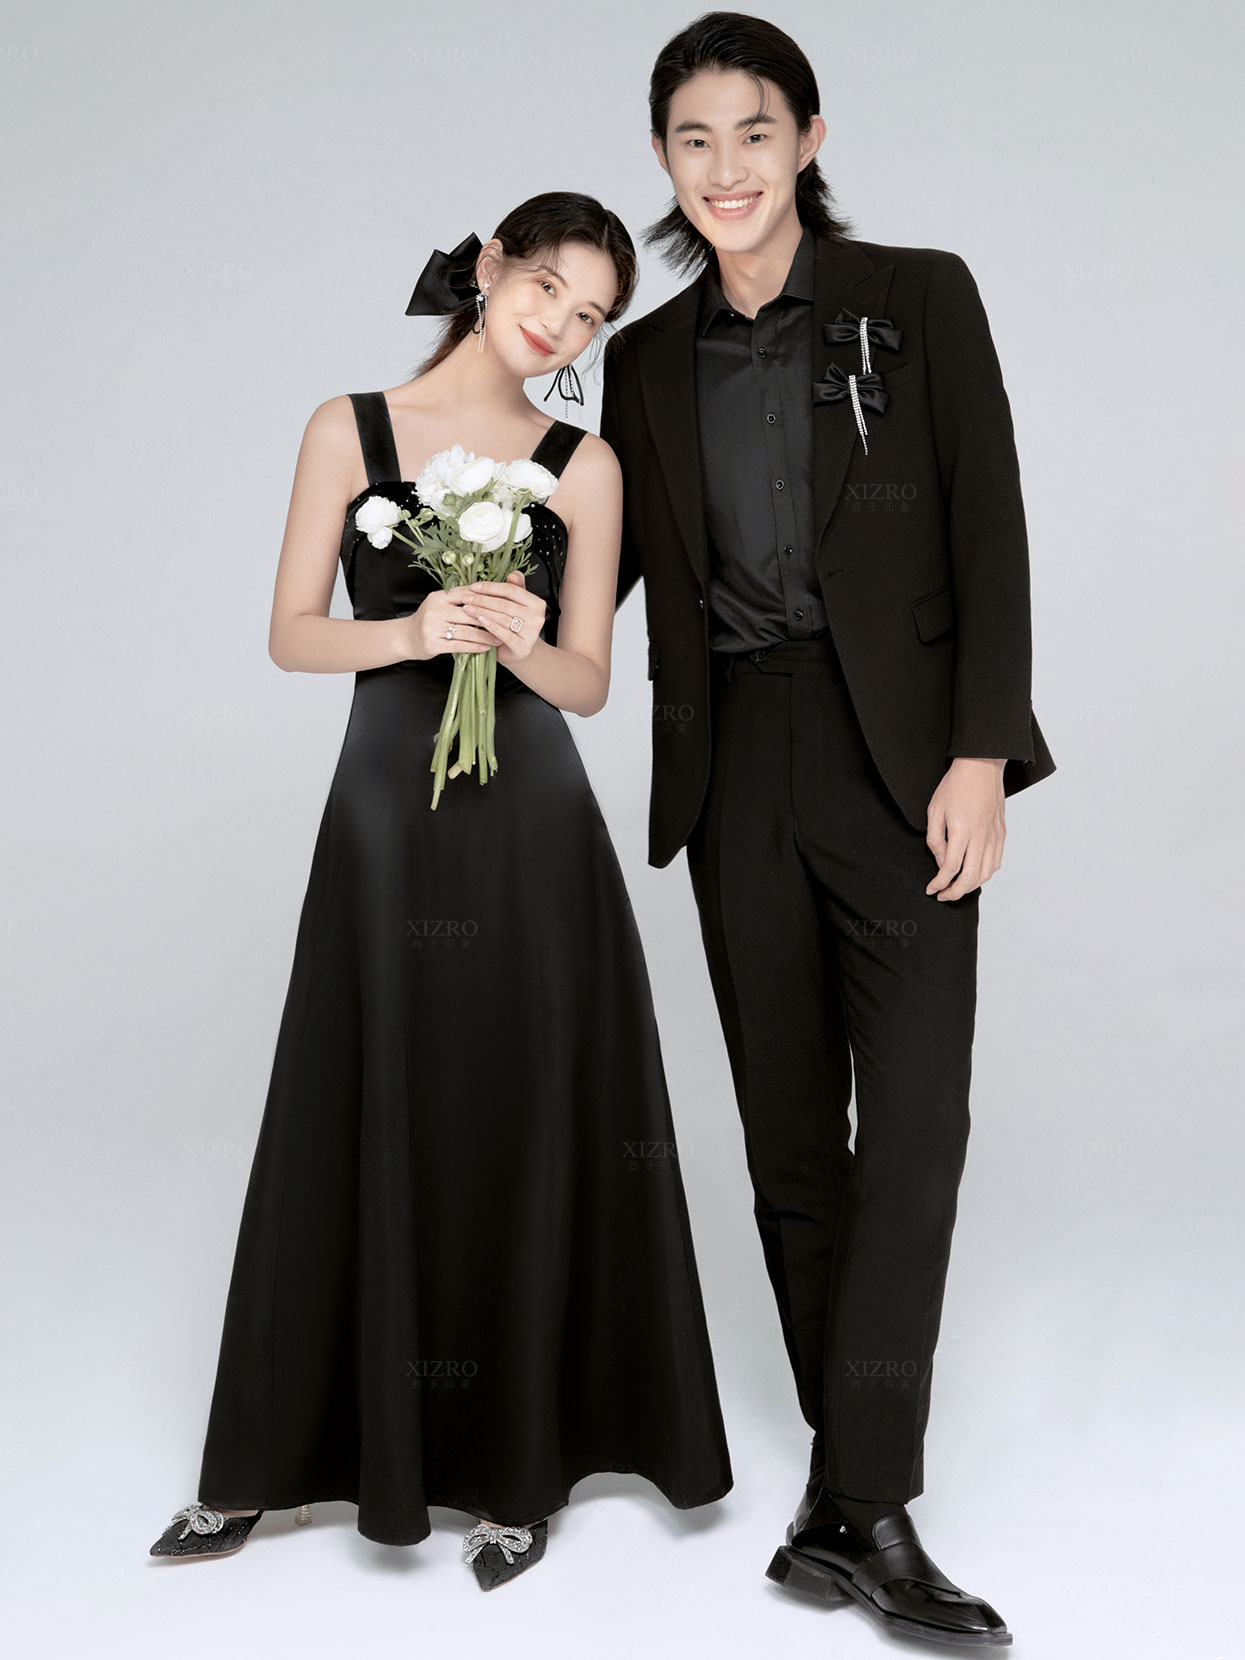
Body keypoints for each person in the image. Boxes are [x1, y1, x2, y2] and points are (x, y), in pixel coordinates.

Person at [148, 191, 732, 1590]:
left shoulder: (585, 467)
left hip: (528, 827)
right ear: (486, 268)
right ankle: (274, 1462)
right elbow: (292, 635)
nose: (558, 328)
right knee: (354, 1099)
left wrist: (517, 642)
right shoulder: (344, 429)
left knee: (517, 1108)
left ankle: (516, 1470)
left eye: (589, 318)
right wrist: (416, 628)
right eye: (544, 290)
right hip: (381, 818)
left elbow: (587, 685)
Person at [600, 13, 1055, 1648]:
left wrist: (979, 752)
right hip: (733, 761)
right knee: (790, 1143)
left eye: (752, 130)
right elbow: (594, 568)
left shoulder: (915, 296)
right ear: (664, 162)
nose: (723, 167)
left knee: (913, 1129)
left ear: (806, 137)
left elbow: (987, 520)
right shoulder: (645, 360)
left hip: (897, 765)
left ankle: (859, 1497)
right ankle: (851, 1509)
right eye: (691, 139)